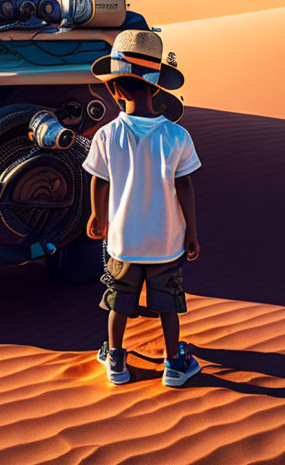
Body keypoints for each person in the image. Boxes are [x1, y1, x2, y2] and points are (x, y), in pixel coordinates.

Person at [82, 29, 202, 387]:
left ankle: (116, 361)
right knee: (168, 303)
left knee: (118, 300)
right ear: (157, 87)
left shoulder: (106, 134)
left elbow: (99, 180)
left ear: (113, 89)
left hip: (123, 241)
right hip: (166, 242)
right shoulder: (177, 136)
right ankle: (173, 365)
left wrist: (96, 215)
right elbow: (186, 185)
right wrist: (192, 232)